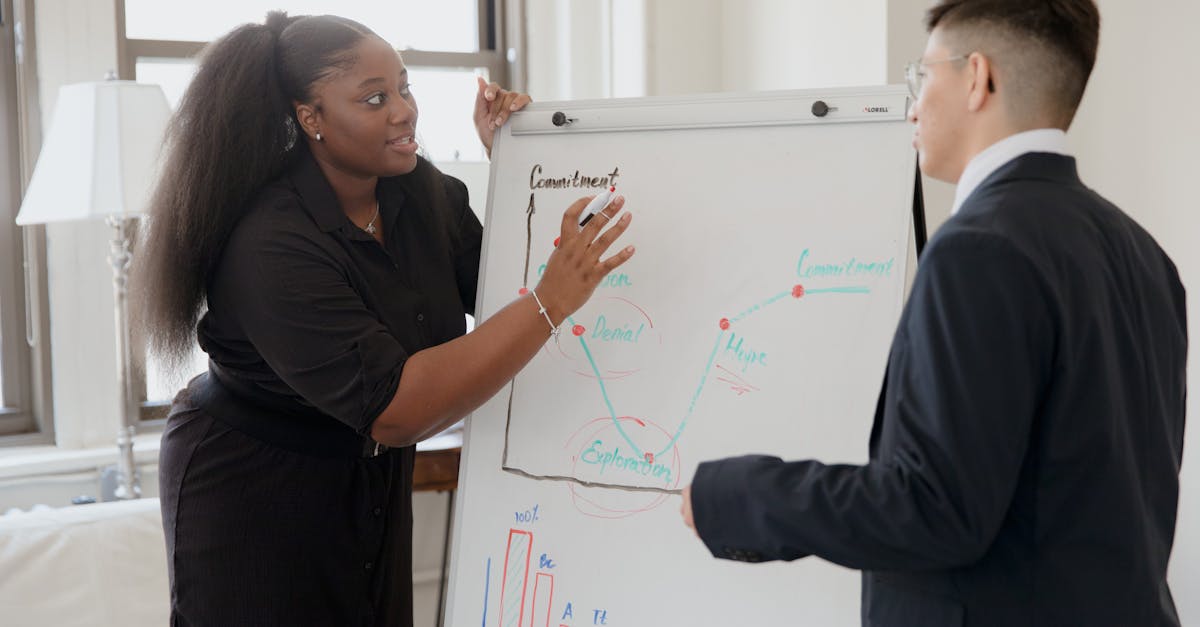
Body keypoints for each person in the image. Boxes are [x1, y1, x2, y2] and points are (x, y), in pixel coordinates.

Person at [680, 1, 1187, 625]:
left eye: (923, 76)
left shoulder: (979, 247)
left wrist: (740, 496)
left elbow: (934, 509)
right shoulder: (1145, 256)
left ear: (978, 78)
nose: (913, 105)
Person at [131, 12, 635, 626]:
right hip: (256, 489)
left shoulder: (418, 190)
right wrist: (550, 302)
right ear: (309, 116)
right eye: (375, 99)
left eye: (405, 87)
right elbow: (398, 408)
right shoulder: (269, 242)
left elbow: (507, 291)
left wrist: (514, 158)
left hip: (370, 475)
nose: (404, 111)